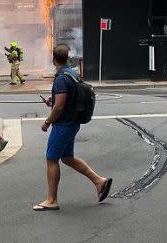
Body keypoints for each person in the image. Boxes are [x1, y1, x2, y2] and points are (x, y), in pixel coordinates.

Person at [34, 44, 112, 211]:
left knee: (52, 159)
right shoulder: (72, 74)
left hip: (63, 124)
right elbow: (66, 98)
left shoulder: (61, 78)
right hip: (72, 122)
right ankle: (99, 181)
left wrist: (47, 122)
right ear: (67, 58)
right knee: (67, 157)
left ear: (53, 59)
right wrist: (53, 100)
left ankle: (51, 200)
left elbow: (60, 106)